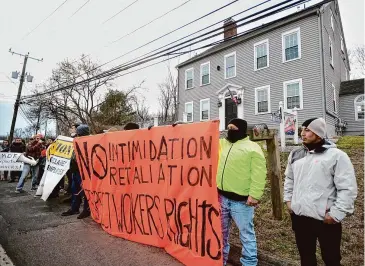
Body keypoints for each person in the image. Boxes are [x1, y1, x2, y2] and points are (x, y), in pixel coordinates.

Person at [284, 118, 357, 266]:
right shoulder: (296, 154)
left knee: (331, 259)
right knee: (306, 257)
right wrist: (289, 201)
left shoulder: (336, 156)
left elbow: (347, 188)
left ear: (319, 133)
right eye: (302, 129)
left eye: (307, 130)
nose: (302, 133)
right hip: (300, 217)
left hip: (325, 219)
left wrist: (336, 213)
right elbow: (289, 179)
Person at [217, 118, 267, 266]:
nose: (229, 130)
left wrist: (255, 195)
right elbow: (202, 139)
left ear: (241, 130)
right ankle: (220, 261)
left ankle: (249, 263)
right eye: (228, 128)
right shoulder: (222, 144)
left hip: (242, 202)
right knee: (220, 234)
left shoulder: (252, 148)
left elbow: (259, 174)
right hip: (222, 198)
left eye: (233, 128)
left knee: (246, 235)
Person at [62, 124, 91, 219]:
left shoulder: (88, 142)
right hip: (75, 169)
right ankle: (74, 208)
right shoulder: (76, 141)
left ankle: (87, 210)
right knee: (75, 190)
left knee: (85, 191)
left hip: (82, 171)